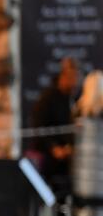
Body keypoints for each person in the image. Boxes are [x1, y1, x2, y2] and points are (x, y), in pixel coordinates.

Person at [31, 57, 80, 201]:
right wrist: (54, 148)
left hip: (67, 163)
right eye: (71, 77)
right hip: (48, 161)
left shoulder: (72, 98)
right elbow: (38, 126)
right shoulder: (48, 98)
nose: (74, 82)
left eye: (76, 77)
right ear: (63, 76)